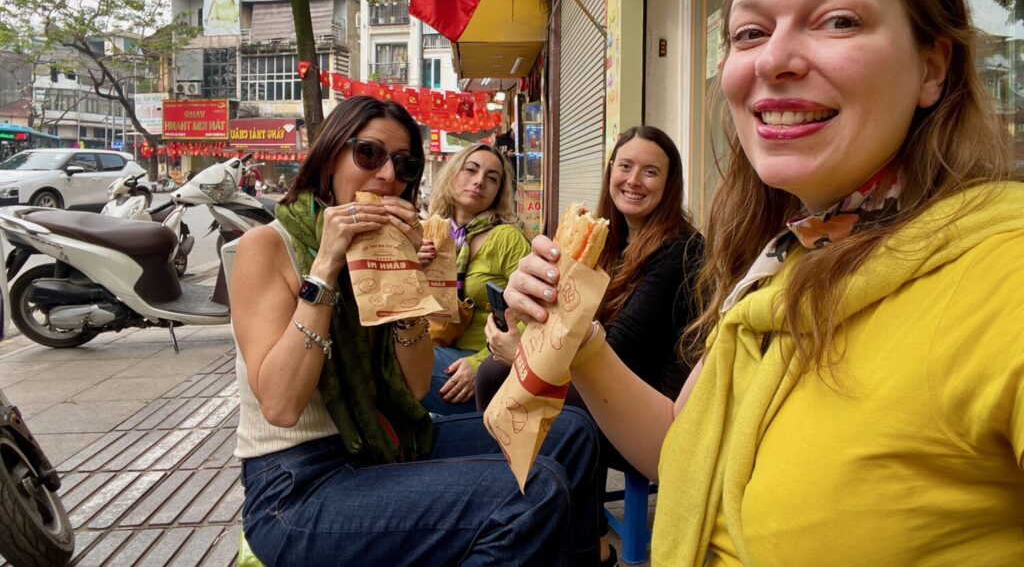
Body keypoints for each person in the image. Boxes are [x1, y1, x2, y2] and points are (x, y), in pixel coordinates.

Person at [505, 0, 1024, 566]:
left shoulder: (1000, 275)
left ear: (931, 66)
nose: (774, 60)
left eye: (838, 20)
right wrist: (580, 339)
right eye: (750, 32)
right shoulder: (781, 262)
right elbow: (686, 452)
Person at [229, 96, 602, 566]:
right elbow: (281, 406)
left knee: (570, 432)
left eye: (403, 165)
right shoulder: (267, 246)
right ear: (329, 158)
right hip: (297, 486)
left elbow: (416, 384)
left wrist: (407, 284)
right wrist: (325, 268)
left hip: (386, 444)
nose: (386, 176)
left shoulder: (384, 249)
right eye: (369, 154)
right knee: (532, 492)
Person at [477, 125, 704, 566]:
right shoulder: (607, 245)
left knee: (541, 393)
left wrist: (524, 353)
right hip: (601, 382)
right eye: (625, 166)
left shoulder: (680, 250)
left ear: (669, 183)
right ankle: (534, 503)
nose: (634, 180)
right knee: (494, 372)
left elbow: (620, 350)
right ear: (610, 174)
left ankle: (590, 540)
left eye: (650, 171)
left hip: (652, 408)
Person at [417, 142, 530, 415]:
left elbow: (538, 316)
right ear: (452, 174)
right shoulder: (430, 232)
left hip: (488, 365)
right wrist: (412, 269)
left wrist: (480, 364)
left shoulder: (506, 238)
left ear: (498, 192)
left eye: (492, 178)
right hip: (438, 345)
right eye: (471, 170)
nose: (479, 181)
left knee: (390, 364)